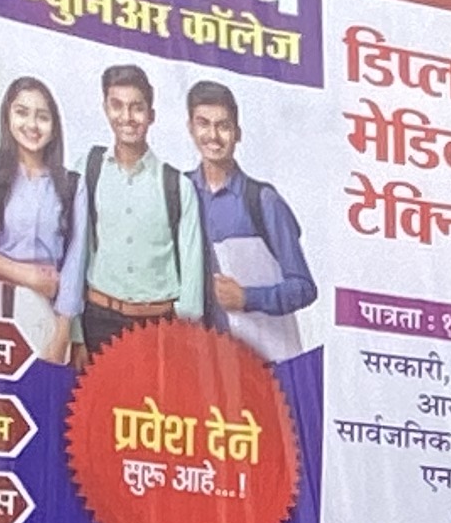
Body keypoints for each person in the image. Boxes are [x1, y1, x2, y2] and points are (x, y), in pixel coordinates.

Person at [55, 60, 209, 361]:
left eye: (136, 107)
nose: (127, 117)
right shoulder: (89, 168)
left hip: (158, 327)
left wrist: (183, 342)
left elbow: (192, 278)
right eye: (117, 106)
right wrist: (76, 334)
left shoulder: (177, 186)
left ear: (151, 115)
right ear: (106, 108)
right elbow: (75, 253)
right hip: (98, 320)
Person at [184, 79, 318, 361]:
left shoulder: (263, 201)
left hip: (260, 362)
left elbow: (304, 288)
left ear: (237, 133)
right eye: (204, 124)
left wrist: (247, 298)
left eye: (223, 126)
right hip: (197, 361)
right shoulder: (179, 193)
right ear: (191, 129)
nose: (213, 136)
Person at [0, 78, 74, 353]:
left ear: (54, 126)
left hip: (48, 310)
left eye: (42, 116)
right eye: (22, 112)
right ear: (7, 116)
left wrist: (63, 331)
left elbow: (75, 262)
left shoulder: (70, 184)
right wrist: (28, 276)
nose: (32, 125)